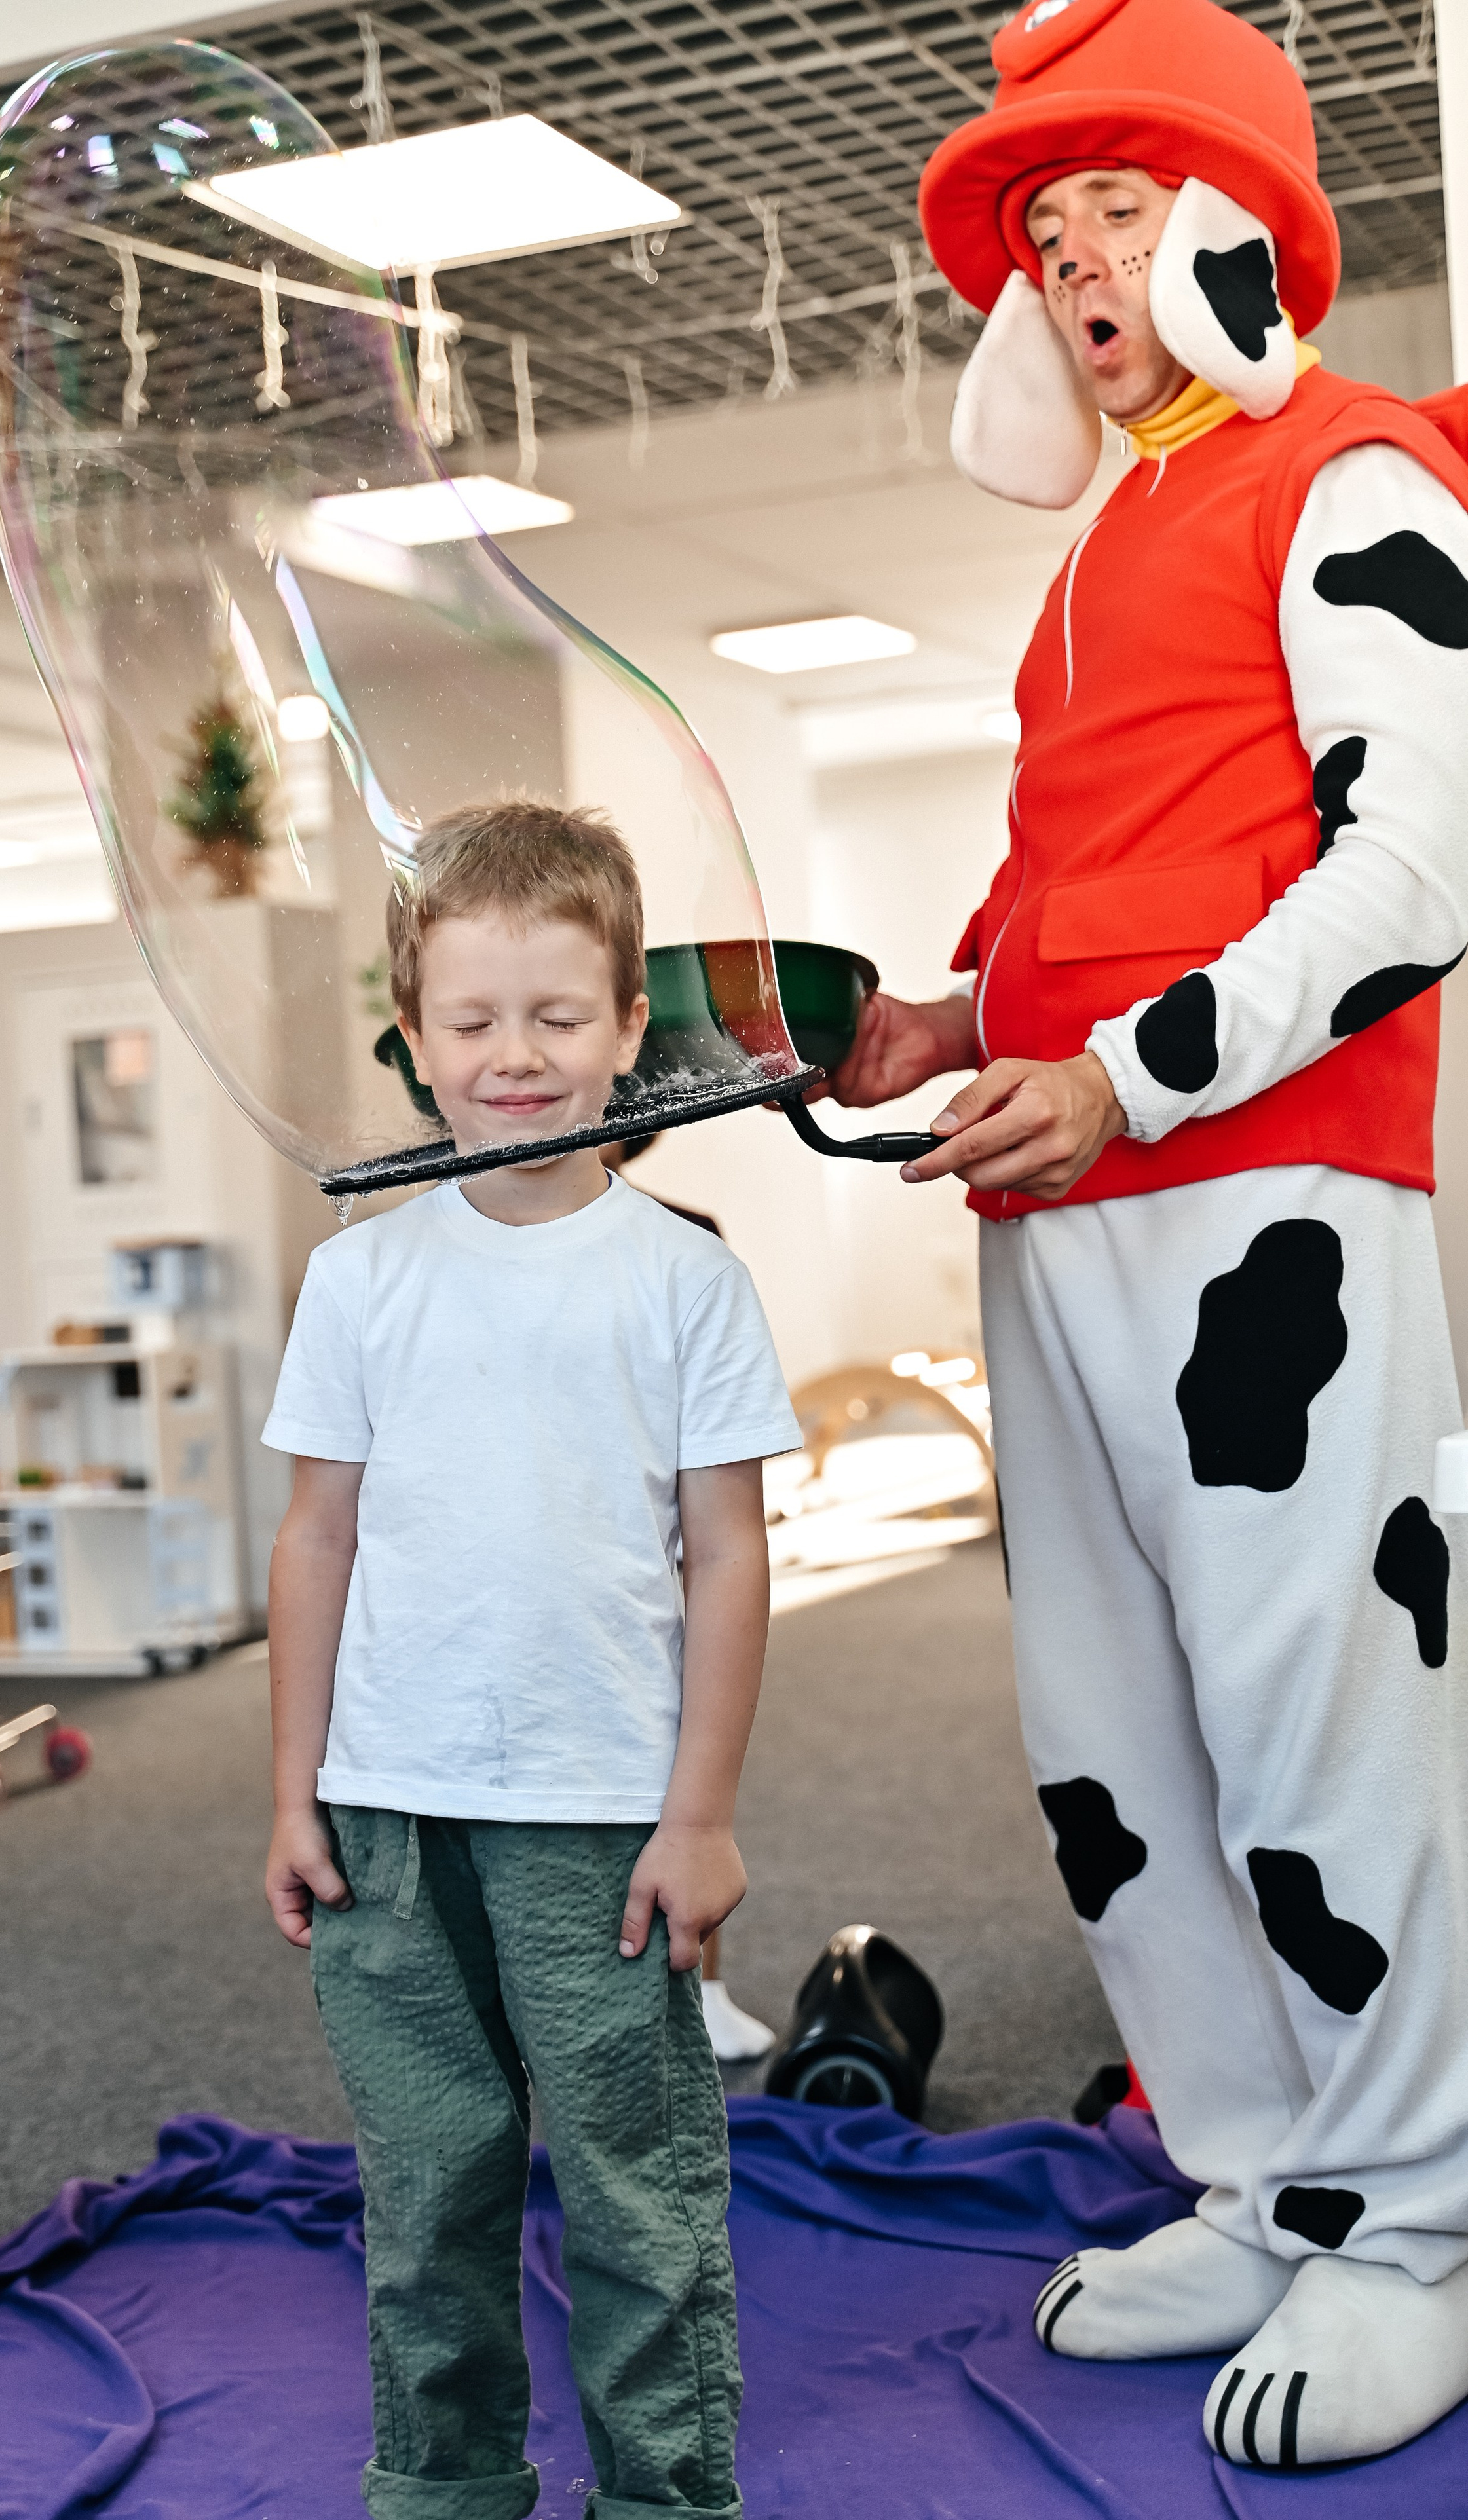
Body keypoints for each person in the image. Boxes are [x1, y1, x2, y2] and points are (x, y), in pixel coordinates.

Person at [819, 0, 1468, 2469]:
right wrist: (936, 1018)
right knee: (1117, 1746)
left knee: (1324, 1720)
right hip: (1062, 1200)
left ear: (1223, 230)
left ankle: (1419, 2212)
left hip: (1263, 1206)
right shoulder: (1110, 538)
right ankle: (1264, 2167)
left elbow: (1418, 868)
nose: (1079, 266)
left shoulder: (1357, 473)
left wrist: (1131, 1071)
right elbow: (1085, 891)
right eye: (1047, 228)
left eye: (1114, 211)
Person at [262, 800, 800, 2520]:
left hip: (601, 1815)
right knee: (427, 2197)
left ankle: (665, 2497)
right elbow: (317, 1542)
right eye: (472, 1022)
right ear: (412, 1038)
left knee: (640, 2202)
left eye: (558, 1018)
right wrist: (295, 1795)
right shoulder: (358, 1280)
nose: (514, 1058)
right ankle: (445, 2492)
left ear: (632, 1026)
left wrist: (701, 1814)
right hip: (385, 1820)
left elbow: (730, 1556)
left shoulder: (685, 1283)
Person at [602, 1136, 776, 2066]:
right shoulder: (415, 1257)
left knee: (681, 1767)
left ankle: (702, 1982)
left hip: (650, 1553)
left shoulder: (684, 1241)